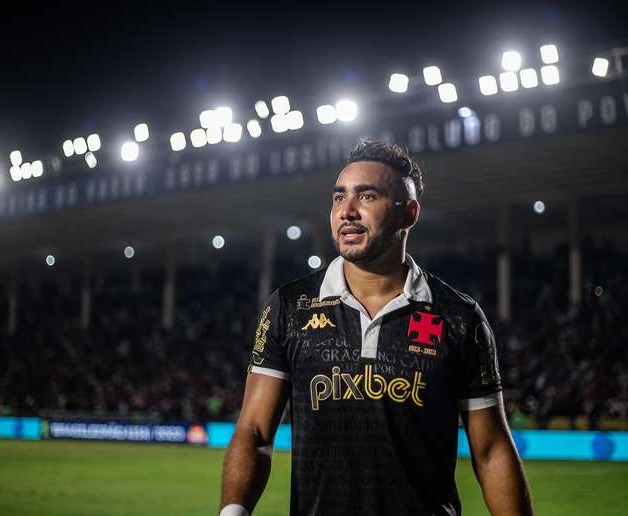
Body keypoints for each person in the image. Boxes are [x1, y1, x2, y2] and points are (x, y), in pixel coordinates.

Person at [220, 139, 533, 516]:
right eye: (338, 198)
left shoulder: (458, 316)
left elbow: (491, 449)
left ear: (409, 214)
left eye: (366, 197)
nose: (346, 212)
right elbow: (253, 431)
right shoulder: (290, 306)